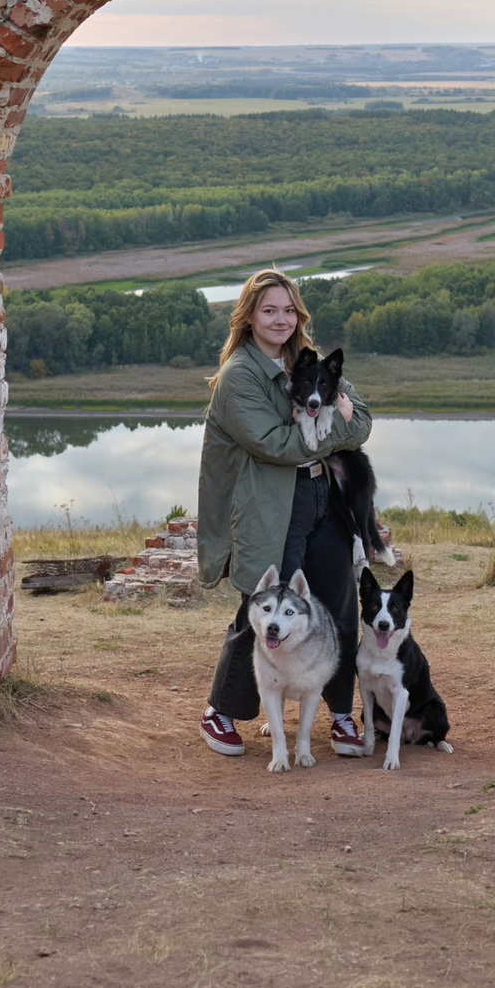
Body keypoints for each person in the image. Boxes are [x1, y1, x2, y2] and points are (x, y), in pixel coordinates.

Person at [194, 268, 375, 758]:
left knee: (338, 602)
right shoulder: (239, 376)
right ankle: (221, 710)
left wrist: (341, 424)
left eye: (288, 310)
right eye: (269, 310)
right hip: (274, 503)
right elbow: (278, 444)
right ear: (248, 316)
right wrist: (338, 424)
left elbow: (363, 419)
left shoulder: (307, 359)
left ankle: (340, 714)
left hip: (324, 497)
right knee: (269, 605)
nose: (280, 319)